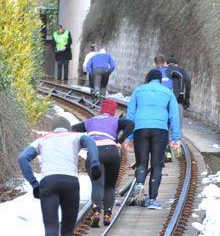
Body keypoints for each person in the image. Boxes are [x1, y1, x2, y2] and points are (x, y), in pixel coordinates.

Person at [18, 116, 102, 236]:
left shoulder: (42, 140)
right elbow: (92, 143)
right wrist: (94, 163)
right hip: (70, 182)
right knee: (67, 231)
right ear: (67, 128)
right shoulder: (75, 136)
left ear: (54, 129)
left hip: (48, 182)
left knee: (50, 228)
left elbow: (22, 158)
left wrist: (34, 183)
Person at [70, 99, 134, 227]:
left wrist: (83, 143)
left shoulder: (91, 121)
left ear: (102, 110)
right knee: (110, 186)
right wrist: (119, 140)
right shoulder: (116, 120)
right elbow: (131, 124)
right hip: (112, 151)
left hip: (94, 153)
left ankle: (96, 210)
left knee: (97, 184)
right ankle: (108, 214)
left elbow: (73, 128)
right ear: (113, 111)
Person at [126, 69, 181, 210]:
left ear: (148, 79)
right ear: (160, 80)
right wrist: (175, 138)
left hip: (140, 129)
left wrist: (130, 136)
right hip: (160, 129)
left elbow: (130, 114)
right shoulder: (168, 93)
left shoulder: (138, 91)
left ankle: (139, 184)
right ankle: (152, 200)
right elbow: (174, 117)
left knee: (141, 162)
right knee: (157, 164)